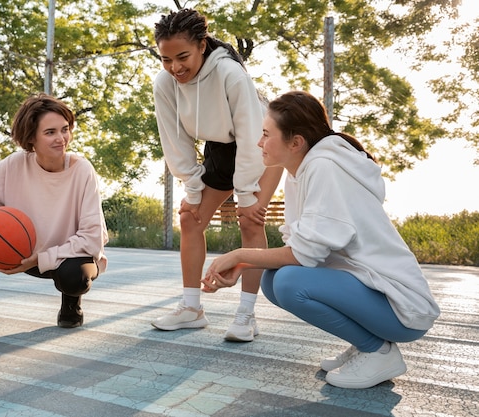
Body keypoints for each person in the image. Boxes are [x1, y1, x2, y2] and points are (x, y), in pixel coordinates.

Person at [201, 91, 440, 388]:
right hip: (372, 293)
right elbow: (301, 247)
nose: (259, 143)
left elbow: (304, 256)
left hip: (402, 308)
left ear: (296, 142)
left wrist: (238, 256)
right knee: (273, 280)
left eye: (266, 135)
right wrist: (244, 265)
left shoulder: (324, 168)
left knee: (289, 283)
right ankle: (367, 344)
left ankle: (378, 351)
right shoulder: (299, 172)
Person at [151, 8, 283, 342]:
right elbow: (175, 141)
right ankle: (192, 309)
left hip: (264, 142)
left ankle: (246, 315)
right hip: (222, 145)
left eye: (182, 57)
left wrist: (248, 193)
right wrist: (193, 187)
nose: (175, 67)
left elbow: (251, 134)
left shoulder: (229, 72)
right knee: (190, 218)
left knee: (250, 219)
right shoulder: (165, 82)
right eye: (166, 59)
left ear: (202, 44)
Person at [0, 93, 108, 339]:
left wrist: (40, 258)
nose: (61, 139)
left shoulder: (82, 170)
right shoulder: (15, 164)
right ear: (30, 138)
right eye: (50, 132)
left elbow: (92, 239)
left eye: (65, 129)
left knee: (74, 278)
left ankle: (71, 303)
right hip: (24, 252)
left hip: (62, 260)